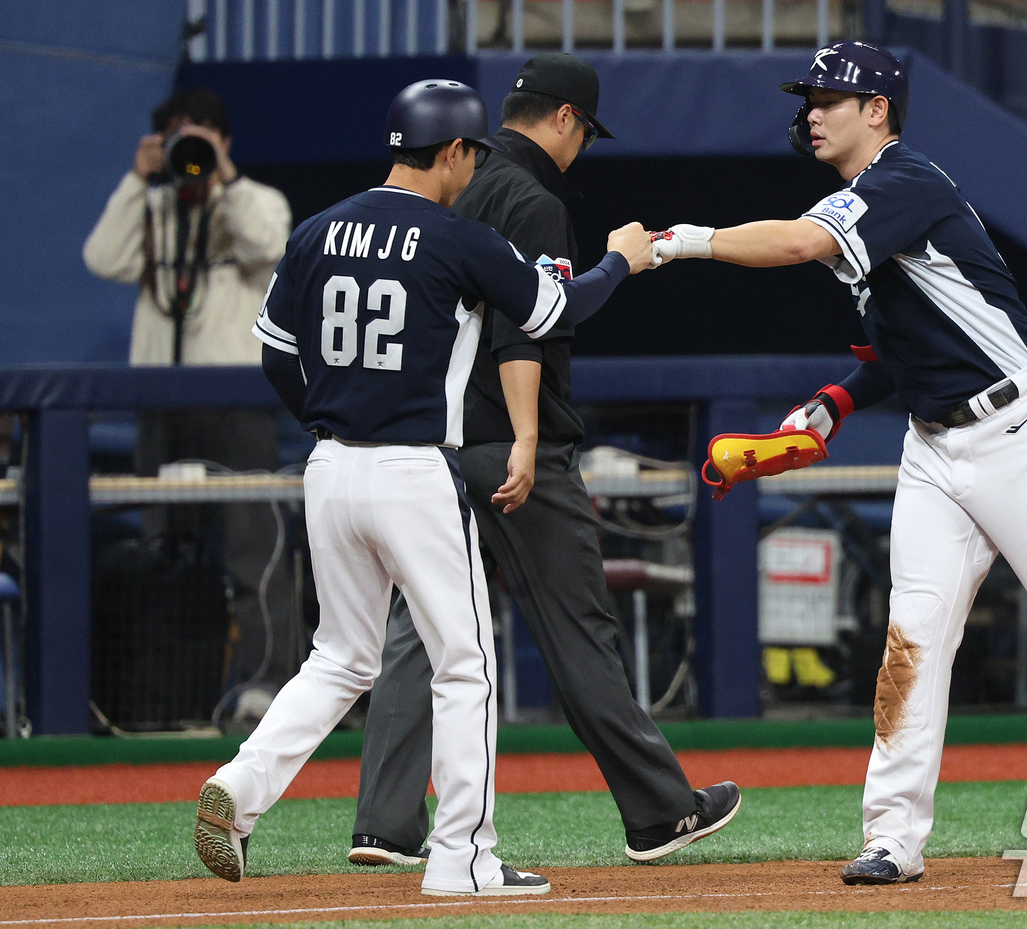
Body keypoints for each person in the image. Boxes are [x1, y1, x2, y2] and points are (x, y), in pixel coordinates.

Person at [649, 41, 1027, 884]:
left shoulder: (905, 182)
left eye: (830, 98)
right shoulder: (869, 199)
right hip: (934, 444)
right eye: (809, 98)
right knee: (912, 636)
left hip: (1018, 428)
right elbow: (900, 348)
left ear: (877, 110)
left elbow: (794, 245)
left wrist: (683, 242)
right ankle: (893, 836)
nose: (812, 112)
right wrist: (834, 404)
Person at [192, 78, 655, 896]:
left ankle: (243, 785)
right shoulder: (454, 236)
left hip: (331, 469)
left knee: (339, 656)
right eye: (471, 155)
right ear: (452, 151)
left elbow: (272, 350)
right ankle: (462, 859)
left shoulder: (318, 228)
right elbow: (558, 308)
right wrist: (623, 259)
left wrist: (327, 415)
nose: (474, 170)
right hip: (413, 470)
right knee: (465, 661)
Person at [349, 53, 741, 870]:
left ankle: (384, 826)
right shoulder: (530, 197)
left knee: (419, 634)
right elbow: (530, 325)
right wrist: (620, 264)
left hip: (434, 444)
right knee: (578, 633)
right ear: (564, 118)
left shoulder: (456, 184)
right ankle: (661, 811)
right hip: (513, 450)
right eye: (584, 133)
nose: (582, 148)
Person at [83, 87, 299, 694]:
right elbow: (102, 258)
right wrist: (137, 180)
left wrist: (222, 180)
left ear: (225, 142)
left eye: (204, 136)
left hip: (235, 406)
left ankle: (264, 688)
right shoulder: (154, 209)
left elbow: (268, 246)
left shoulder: (255, 200)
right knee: (164, 551)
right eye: (182, 138)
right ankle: (167, 686)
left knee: (252, 550)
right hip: (162, 405)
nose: (193, 151)